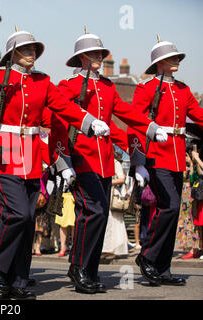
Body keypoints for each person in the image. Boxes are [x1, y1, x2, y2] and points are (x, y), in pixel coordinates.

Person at [0, 29, 111, 300]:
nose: (33, 53)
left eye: (35, 49)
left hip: (33, 156)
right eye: (27, 49)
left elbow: (62, 106)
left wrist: (88, 122)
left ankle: (19, 280)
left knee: (28, 220)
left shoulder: (42, 81)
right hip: (7, 154)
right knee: (18, 215)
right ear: (13, 53)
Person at [50, 30, 168, 294]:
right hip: (80, 157)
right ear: (81, 58)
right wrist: (61, 160)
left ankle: (87, 269)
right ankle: (79, 266)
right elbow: (58, 122)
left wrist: (148, 128)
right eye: (93, 54)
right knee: (95, 212)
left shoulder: (107, 86)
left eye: (100, 54)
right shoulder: (67, 86)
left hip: (103, 160)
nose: (98, 58)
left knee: (98, 217)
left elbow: (125, 113)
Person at [128, 36, 203, 286]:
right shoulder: (146, 88)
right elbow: (135, 123)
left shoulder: (182, 89)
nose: (176, 60)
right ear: (159, 62)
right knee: (168, 207)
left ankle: (163, 269)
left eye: (177, 57)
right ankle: (147, 256)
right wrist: (137, 160)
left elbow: (198, 117)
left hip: (177, 157)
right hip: (156, 156)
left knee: (170, 213)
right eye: (171, 57)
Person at [102, 145, 129, 259]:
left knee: (114, 221)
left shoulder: (115, 163)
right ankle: (106, 247)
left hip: (112, 193)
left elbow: (122, 179)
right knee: (106, 220)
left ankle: (115, 247)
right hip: (104, 192)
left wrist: (109, 182)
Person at [180, 144, 203, 259]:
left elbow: (193, 178)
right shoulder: (186, 166)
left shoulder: (192, 167)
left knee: (192, 222)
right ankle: (192, 247)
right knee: (187, 222)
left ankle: (195, 248)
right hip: (185, 197)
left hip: (192, 196)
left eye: (186, 155)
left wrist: (194, 162)